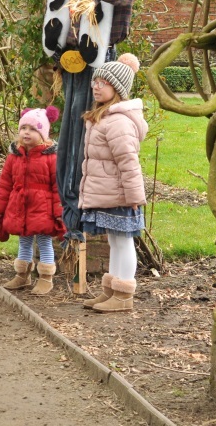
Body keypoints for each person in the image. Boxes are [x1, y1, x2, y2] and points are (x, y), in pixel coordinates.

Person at [41, 0, 139, 241]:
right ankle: (67, 213)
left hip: (96, 64)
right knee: (67, 134)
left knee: (87, 135)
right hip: (69, 65)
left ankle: (80, 216)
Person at [78, 54, 147, 313]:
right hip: (110, 193)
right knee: (114, 241)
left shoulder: (118, 122)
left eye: (103, 82)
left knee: (123, 240)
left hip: (121, 195)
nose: (96, 86)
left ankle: (124, 294)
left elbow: (128, 162)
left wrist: (134, 197)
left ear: (117, 88)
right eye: (95, 81)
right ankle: (111, 291)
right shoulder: (103, 117)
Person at [0, 107, 67, 296]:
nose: (26, 132)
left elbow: (57, 187)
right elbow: (5, 183)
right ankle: (22, 275)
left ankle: (46, 278)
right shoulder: (14, 155)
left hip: (42, 208)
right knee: (24, 241)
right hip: (20, 207)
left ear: (42, 134)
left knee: (43, 241)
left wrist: (59, 212)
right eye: (23, 127)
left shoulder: (51, 157)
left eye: (32, 129)